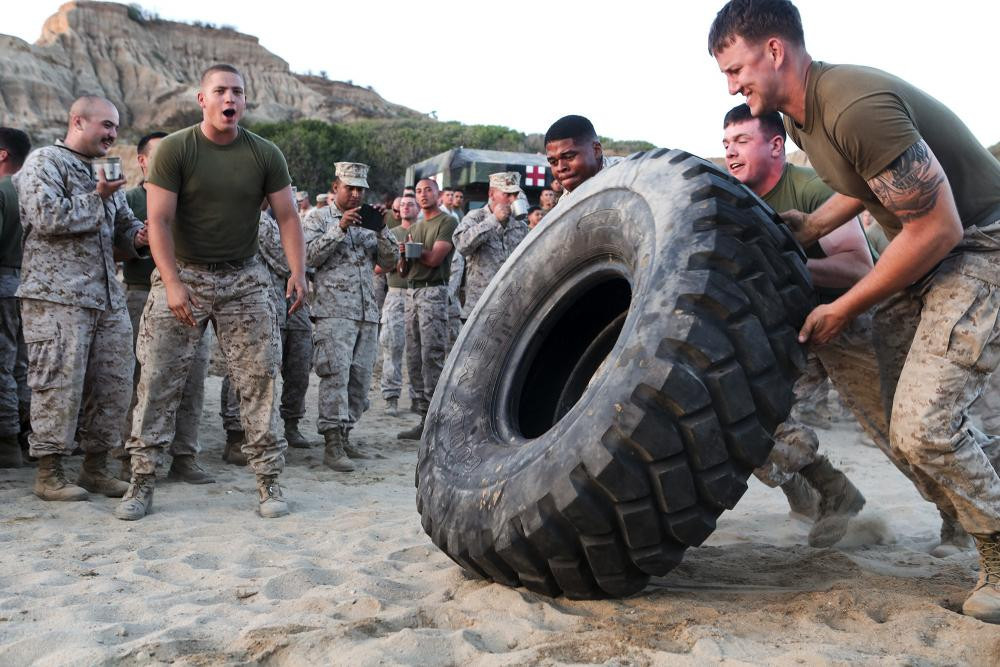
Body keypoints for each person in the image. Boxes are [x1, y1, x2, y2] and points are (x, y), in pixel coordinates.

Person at [710, 0, 1000, 622]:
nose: (732, 87)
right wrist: (813, 225)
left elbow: (940, 226)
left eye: (736, 70)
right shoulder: (805, 118)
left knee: (924, 426)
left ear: (775, 51)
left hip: (980, 244)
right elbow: (866, 182)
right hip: (928, 252)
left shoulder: (851, 105)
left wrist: (842, 307)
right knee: (899, 424)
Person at [121, 64, 307, 520]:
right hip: (184, 273)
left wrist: (298, 272)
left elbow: (287, 216)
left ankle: (268, 480)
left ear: (244, 101)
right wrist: (172, 283)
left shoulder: (265, 153)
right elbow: (159, 220)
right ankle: (141, 480)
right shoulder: (175, 149)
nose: (230, 99)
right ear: (202, 99)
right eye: (220, 91)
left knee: (260, 379)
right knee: (158, 379)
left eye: (237, 92)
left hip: (244, 278)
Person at [723, 103, 897, 546]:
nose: (731, 152)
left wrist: (782, 266)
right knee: (755, 419)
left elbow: (858, 268)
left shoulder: (811, 189)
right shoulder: (736, 200)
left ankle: (958, 521)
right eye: (726, 143)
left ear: (775, 146)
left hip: (855, 319)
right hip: (797, 330)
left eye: (742, 141)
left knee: (899, 430)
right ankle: (828, 496)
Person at [14, 96, 149, 501]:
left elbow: (123, 227)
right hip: (57, 298)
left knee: (113, 383)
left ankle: (96, 467)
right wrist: (98, 196)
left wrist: (139, 236)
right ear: (77, 121)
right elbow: (46, 216)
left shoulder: (104, 172)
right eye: (106, 125)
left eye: (116, 127)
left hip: (107, 298)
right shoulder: (44, 162)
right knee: (57, 384)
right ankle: (49, 472)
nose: (112, 134)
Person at [118, 131, 214, 485]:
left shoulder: (189, 197)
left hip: (191, 298)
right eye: (160, 154)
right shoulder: (129, 199)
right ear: (142, 161)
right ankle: (131, 456)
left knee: (193, 379)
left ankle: (185, 455)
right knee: (141, 378)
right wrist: (137, 240)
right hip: (142, 293)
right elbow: (112, 245)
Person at [304, 163, 399, 470]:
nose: (356, 194)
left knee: (359, 379)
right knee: (336, 376)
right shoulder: (318, 218)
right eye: (350, 188)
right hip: (333, 313)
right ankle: (332, 442)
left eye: (361, 189)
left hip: (366, 313)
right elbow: (308, 257)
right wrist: (340, 228)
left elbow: (389, 262)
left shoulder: (369, 222)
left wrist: (382, 230)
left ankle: (345, 435)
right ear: (336, 188)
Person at [221, 200, 315, 454]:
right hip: (260, 304)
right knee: (249, 370)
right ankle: (236, 435)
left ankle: (288, 425)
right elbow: (287, 259)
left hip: (288, 304)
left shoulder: (278, 219)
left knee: (296, 368)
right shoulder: (257, 217)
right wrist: (303, 259)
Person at [397, 178, 456, 440]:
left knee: (432, 355)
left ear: (438, 194)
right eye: (419, 191)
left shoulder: (447, 222)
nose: (423, 195)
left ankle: (437, 420)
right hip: (411, 292)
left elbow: (434, 259)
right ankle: (424, 417)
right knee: (413, 357)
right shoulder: (415, 227)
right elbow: (402, 271)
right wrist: (403, 254)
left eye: (428, 190)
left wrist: (415, 251)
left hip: (433, 291)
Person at [453, 172, 531, 319]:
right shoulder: (476, 217)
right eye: (507, 194)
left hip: (511, 306)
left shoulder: (520, 225)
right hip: (481, 305)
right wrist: (493, 220)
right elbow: (461, 246)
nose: (513, 199)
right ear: (491, 194)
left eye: (515, 194)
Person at [0, 128, 31, 468]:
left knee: (2, 367)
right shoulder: (33, 190)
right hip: (30, 286)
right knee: (23, 367)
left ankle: (6, 443)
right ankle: (26, 435)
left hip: (4, 285)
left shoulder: (2, 191)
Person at [379, 194, 418, 416]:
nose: (405, 208)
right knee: (392, 347)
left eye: (410, 204)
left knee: (417, 351)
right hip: (396, 294)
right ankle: (391, 397)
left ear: (417, 208)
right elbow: (377, 267)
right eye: (402, 205)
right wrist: (398, 257)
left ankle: (418, 398)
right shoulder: (391, 234)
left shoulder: (424, 231)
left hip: (418, 293)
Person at [544, 115, 622, 196]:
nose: (560, 168)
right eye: (553, 162)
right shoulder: (567, 197)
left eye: (569, 157)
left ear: (596, 150)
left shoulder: (625, 176)